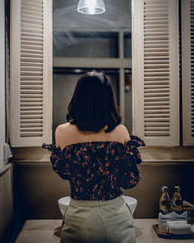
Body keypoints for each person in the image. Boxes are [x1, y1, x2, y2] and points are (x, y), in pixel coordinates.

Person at [43, 71, 145, 243]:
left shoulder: (62, 132)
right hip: (116, 215)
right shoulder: (120, 131)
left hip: (77, 216)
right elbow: (129, 181)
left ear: (78, 97)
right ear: (108, 99)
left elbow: (65, 173)